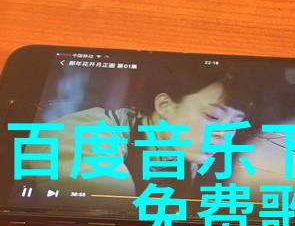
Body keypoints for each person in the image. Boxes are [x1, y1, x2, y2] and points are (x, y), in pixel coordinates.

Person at [24, 58, 261, 203]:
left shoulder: (185, 159)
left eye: (234, 124)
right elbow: (110, 206)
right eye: (212, 116)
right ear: (164, 105)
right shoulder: (87, 132)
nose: (223, 134)